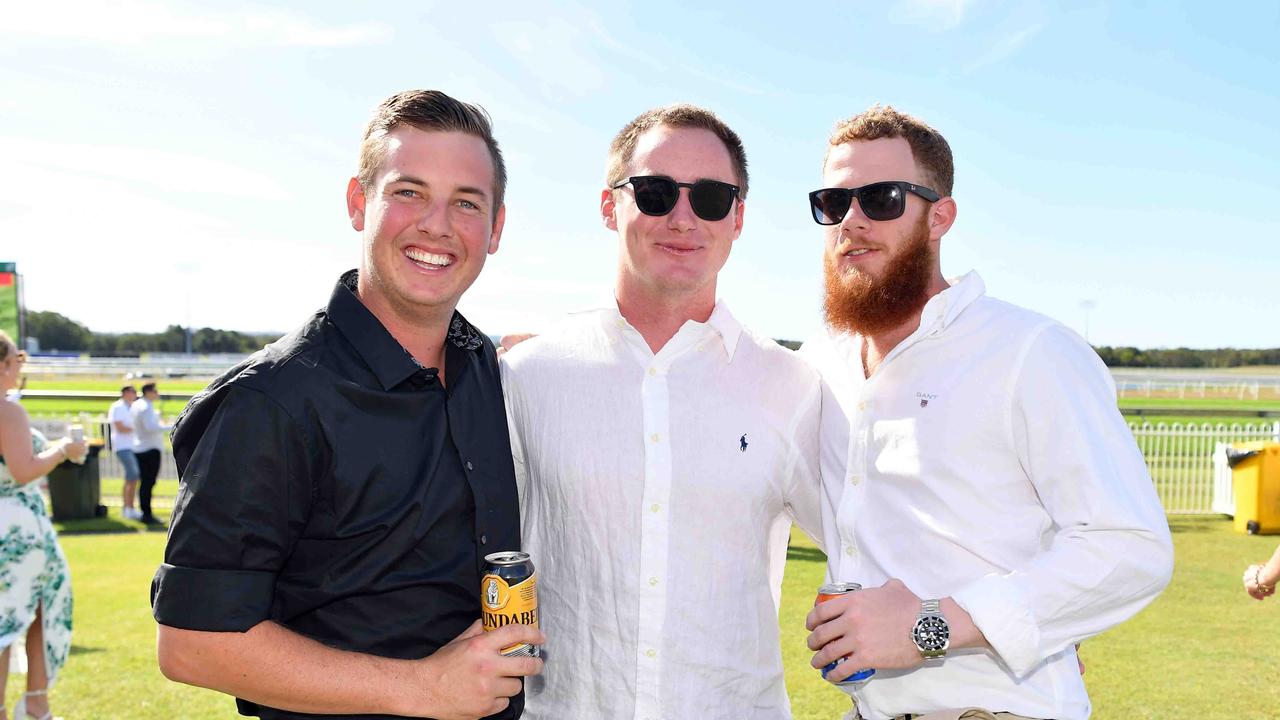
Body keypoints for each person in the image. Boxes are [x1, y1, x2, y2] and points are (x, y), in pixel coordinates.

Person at [151, 90, 542, 719]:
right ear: (359, 203)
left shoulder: (487, 373)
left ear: (495, 229)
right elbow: (194, 642)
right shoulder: (270, 401)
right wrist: (423, 689)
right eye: (409, 192)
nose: (436, 225)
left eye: (466, 203)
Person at [799, 105, 1174, 720]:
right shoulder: (821, 366)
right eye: (833, 202)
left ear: (938, 216)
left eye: (883, 199)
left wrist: (931, 626)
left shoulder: (1029, 351)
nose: (852, 222)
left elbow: (1130, 546)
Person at [501, 104, 822, 719]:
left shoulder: (794, 386)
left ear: (739, 217)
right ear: (608, 206)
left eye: (710, 197)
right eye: (653, 192)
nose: (682, 217)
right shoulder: (527, 376)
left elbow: (876, 543)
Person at [0, 331, 86, 720]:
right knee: (16, 615)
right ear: (3, 364)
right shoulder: (7, 410)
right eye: (17, 359)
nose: (20, 367)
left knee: (30, 608)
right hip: (15, 526)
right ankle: (29, 705)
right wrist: (62, 450)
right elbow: (23, 471)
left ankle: (34, 703)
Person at [130, 382, 170, 525]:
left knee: (145, 483)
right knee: (148, 482)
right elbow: (150, 427)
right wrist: (169, 427)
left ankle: (145, 512)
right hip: (150, 448)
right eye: (155, 391)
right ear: (148, 392)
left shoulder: (138, 405)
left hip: (140, 446)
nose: (157, 393)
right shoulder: (146, 407)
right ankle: (147, 514)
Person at [108, 384, 142, 520]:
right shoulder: (118, 407)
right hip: (122, 446)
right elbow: (120, 427)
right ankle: (127, 508)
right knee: (133, 475)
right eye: (132, 392)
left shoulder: (132, 407)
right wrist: (138, 428)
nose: (134, 394)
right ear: (125, 393)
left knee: (132, 477)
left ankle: (130, 507)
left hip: (133, 446)